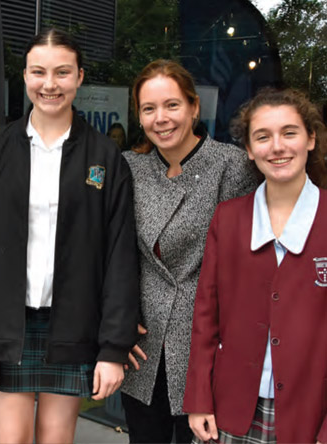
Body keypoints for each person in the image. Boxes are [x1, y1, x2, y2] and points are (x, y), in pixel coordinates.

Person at [0, 28, 140, 444]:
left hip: (72, 323)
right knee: (9, 438)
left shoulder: (104, 157)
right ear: (26, 77)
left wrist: (112, 349)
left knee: (55, 438)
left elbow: (119, 257)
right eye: (39, 72)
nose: (50, 84)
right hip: (5, 322)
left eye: (62, 72)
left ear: (80, 77)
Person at [120, 59, 257, 443]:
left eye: (172, 105)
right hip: (143, 349)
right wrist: (117, 319)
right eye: (149, 109)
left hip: (205, 350)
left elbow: (245, 266)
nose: (160, 118)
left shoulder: (233, 166)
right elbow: (111, 254)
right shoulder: (130, 169)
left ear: (195, 107)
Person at [184, 88, 327, 444]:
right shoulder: (229, 218)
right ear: (248, 149)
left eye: (289, 132)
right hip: (230, 409)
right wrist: (199, 398)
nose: (277, 147)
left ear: (311, 139)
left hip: (310, 414)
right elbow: (205, 317)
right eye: (262, 137)